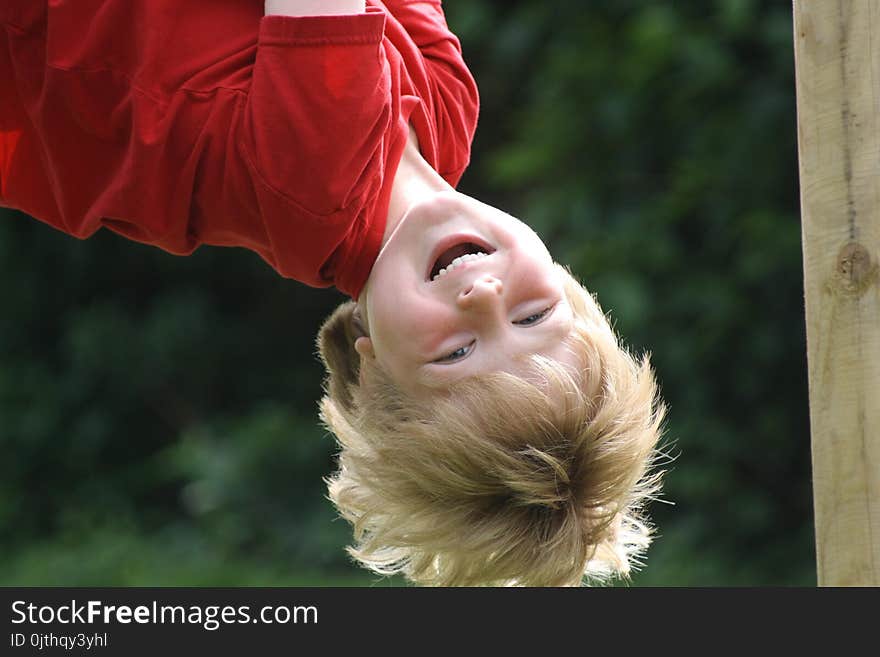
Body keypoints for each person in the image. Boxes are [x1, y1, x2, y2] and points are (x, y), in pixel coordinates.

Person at [0, 0, 667, 586]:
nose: (484, 298)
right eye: (532, 314)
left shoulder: (323, 180)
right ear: (569, 284)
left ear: (374, 368)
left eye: (458, 352)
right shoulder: (445, 114)